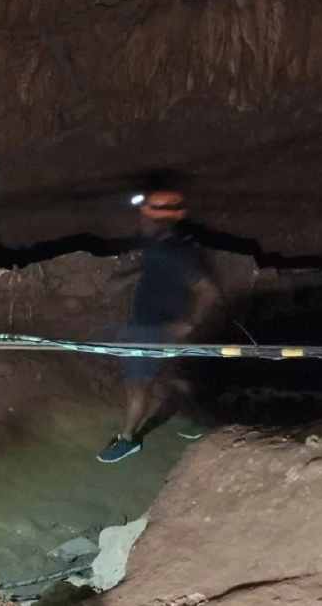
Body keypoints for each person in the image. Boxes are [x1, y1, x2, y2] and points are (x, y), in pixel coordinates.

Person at [98, 192, 221, 464]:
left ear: (162, 223)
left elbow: (209, 291)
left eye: (146, 218)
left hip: (155, 331)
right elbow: (151, 275)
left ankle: (128, 439)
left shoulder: (175, 254)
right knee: (173, 376)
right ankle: (196, 420)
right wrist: (129, 277)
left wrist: (189, 324)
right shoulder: (160, 251)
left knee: (138, 386)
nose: (141, 222)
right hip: (149, 327)